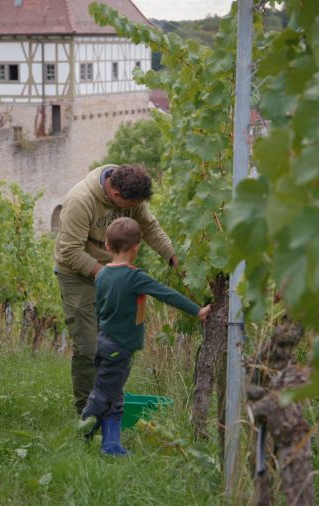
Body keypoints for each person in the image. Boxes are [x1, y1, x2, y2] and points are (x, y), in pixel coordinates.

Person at [77, 217, 210, 456]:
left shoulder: (101, 275)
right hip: (119, 347)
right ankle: (82, 432)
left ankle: (111, 445)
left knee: (115, 396)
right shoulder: (134, 277)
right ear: (137, 246)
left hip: (106, 342)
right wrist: (198, 310)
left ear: (107, 245)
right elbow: (167, 294)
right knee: (103, 394)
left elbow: (98, 309)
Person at [54, 164, 179, 415]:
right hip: (77, 274)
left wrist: (173, 257)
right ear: (116, 195)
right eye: (130, 205)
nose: (134, 209)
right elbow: (69, 251)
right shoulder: (81, 200)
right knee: (89, 348)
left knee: (117, 343)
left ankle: (108, 405)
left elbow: (150, 228)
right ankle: (86, 413)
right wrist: (109, 275)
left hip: (111, 271)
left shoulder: (131, 196)